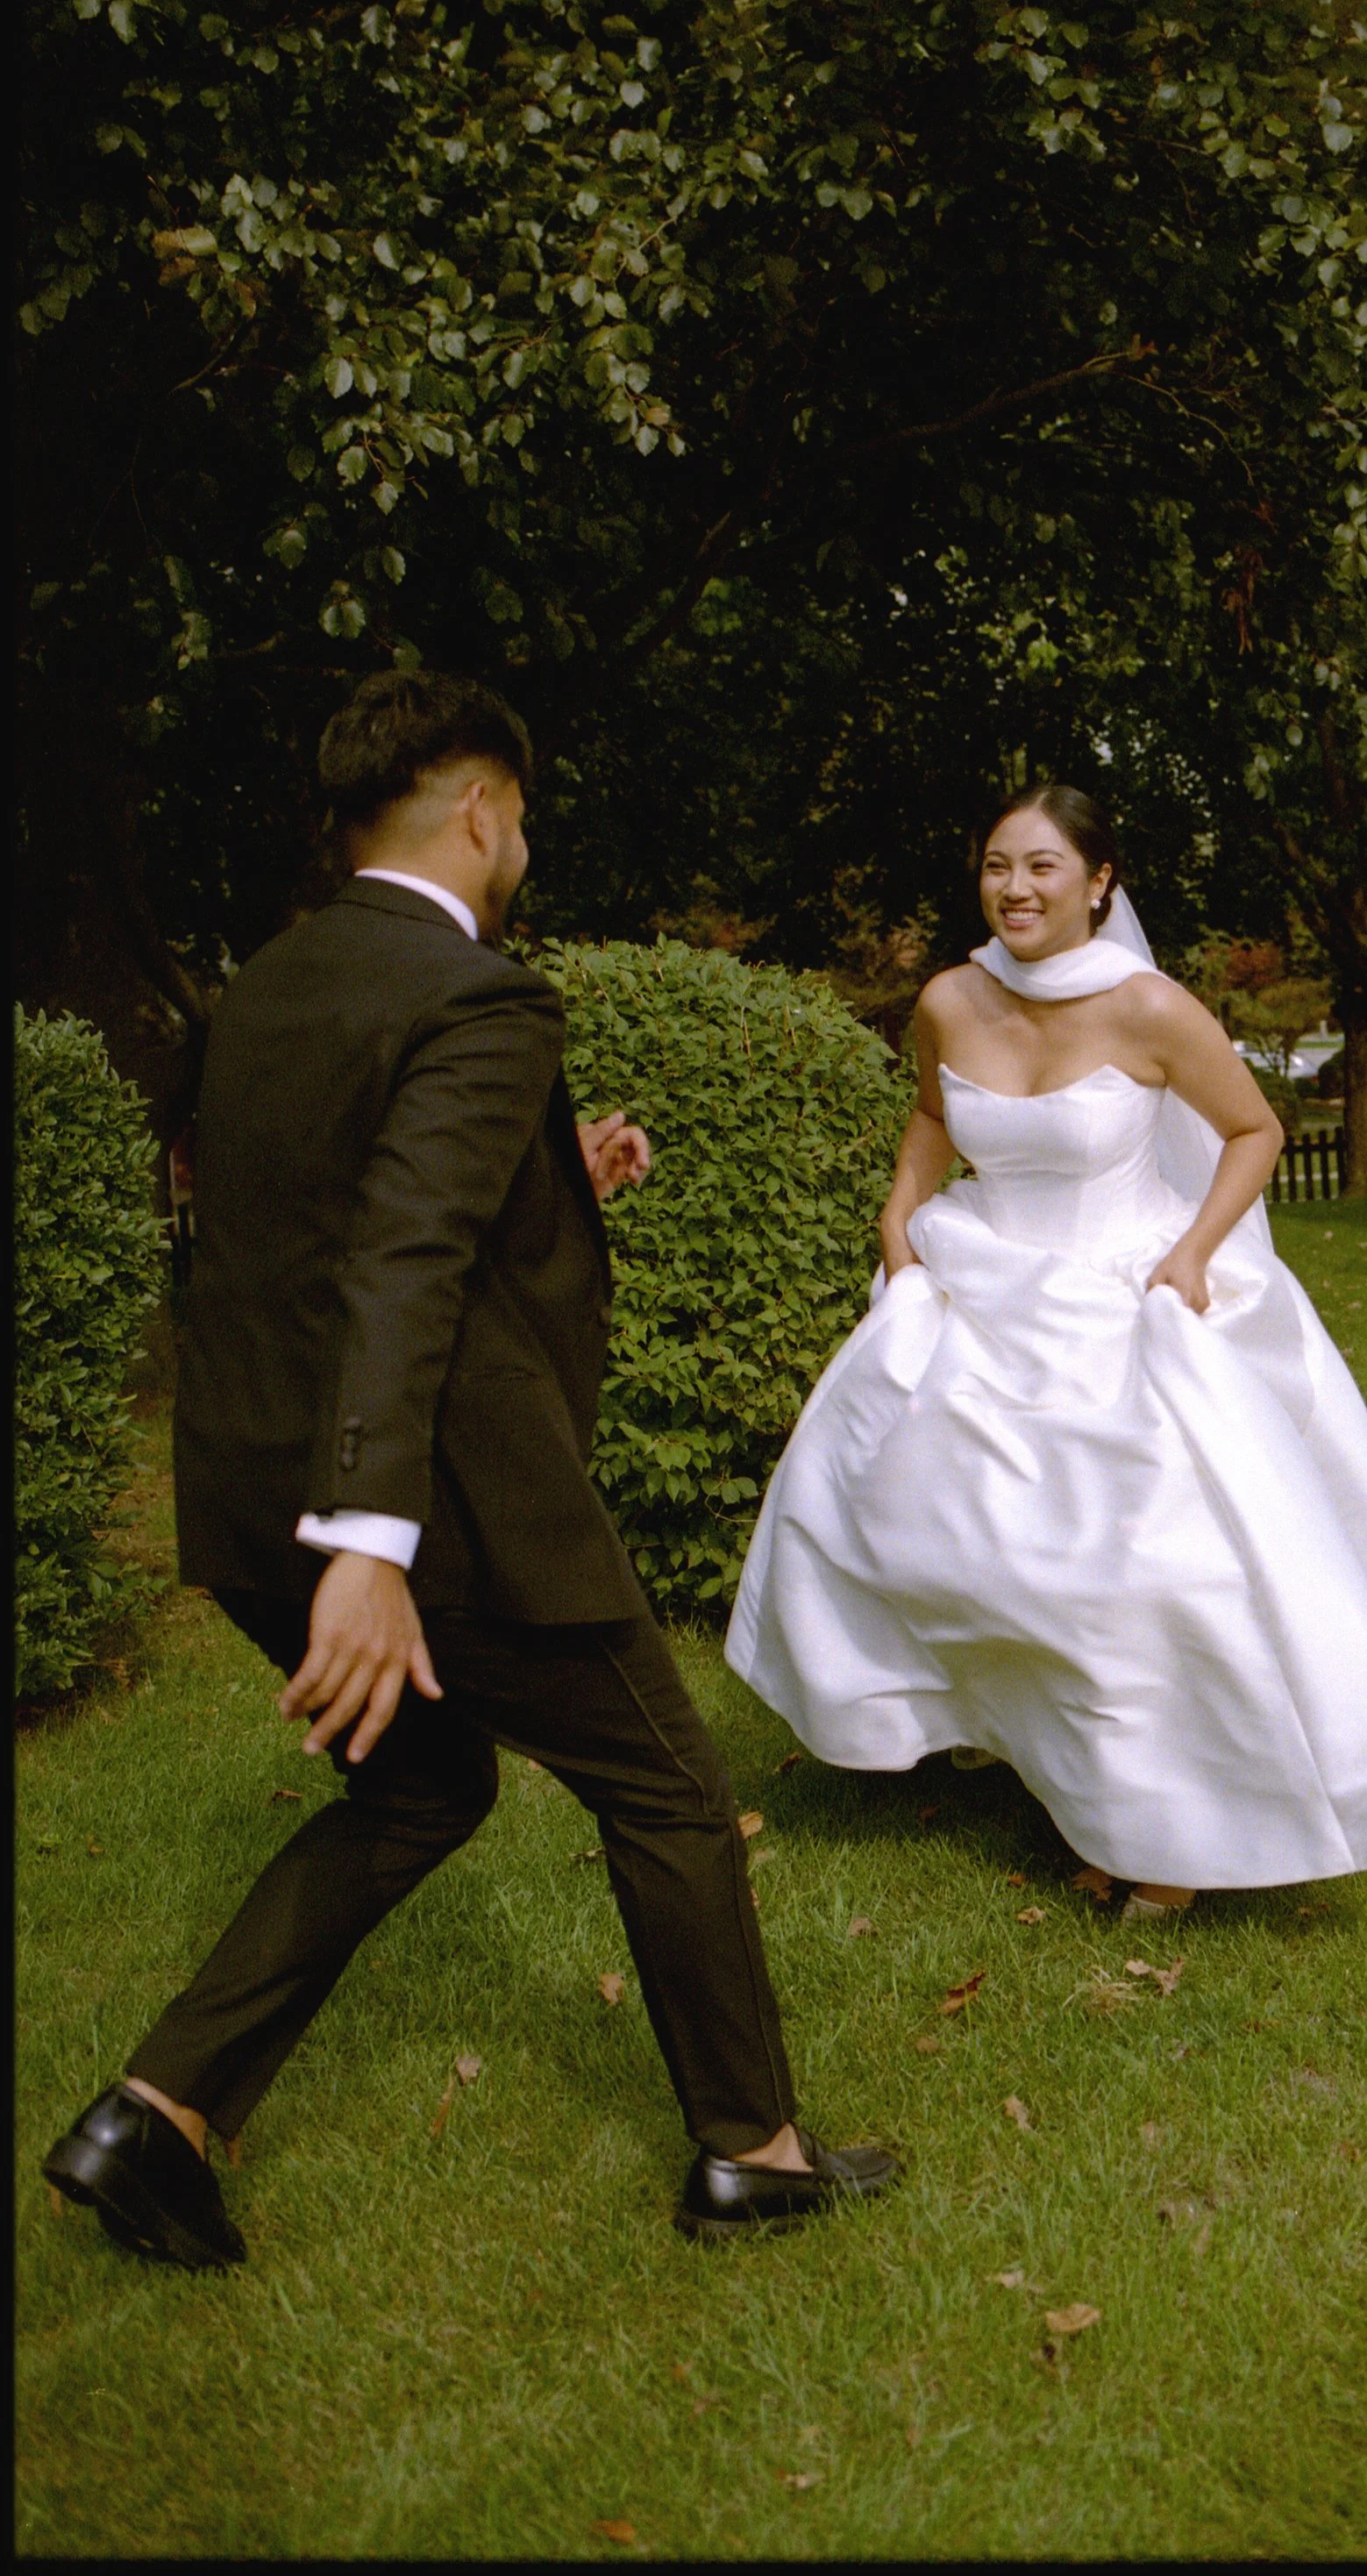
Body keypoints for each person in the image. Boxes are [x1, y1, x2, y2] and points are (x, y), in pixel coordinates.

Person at [43, 669, 899, 2264]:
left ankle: (152, 2118)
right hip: (432, 1516)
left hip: (245, 1501)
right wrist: (369, 1543)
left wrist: (553, 1181)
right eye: (525, 820)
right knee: (667, 1783)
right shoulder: (479, 994)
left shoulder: (266, 992)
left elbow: (315, 1223)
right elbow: (407, 1258)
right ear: (482, 808)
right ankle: (755, 2154)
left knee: (420, 1788)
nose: (525, 847)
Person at [726, 783, 1367, 1917]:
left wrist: (1193, 1251)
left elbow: (1254, 1129)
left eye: (1042, 866)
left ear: (1099, 883)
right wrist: (899, 1219)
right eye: (997, 864)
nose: (1015, 888)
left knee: (1147, 1573)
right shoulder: (948, 998)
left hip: (1124, 1294)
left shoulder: (1149, 1009)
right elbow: (936, 1118)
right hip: (981, 1289)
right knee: (961, 1546)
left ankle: (1172, 1834)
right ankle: (1056, 1767)